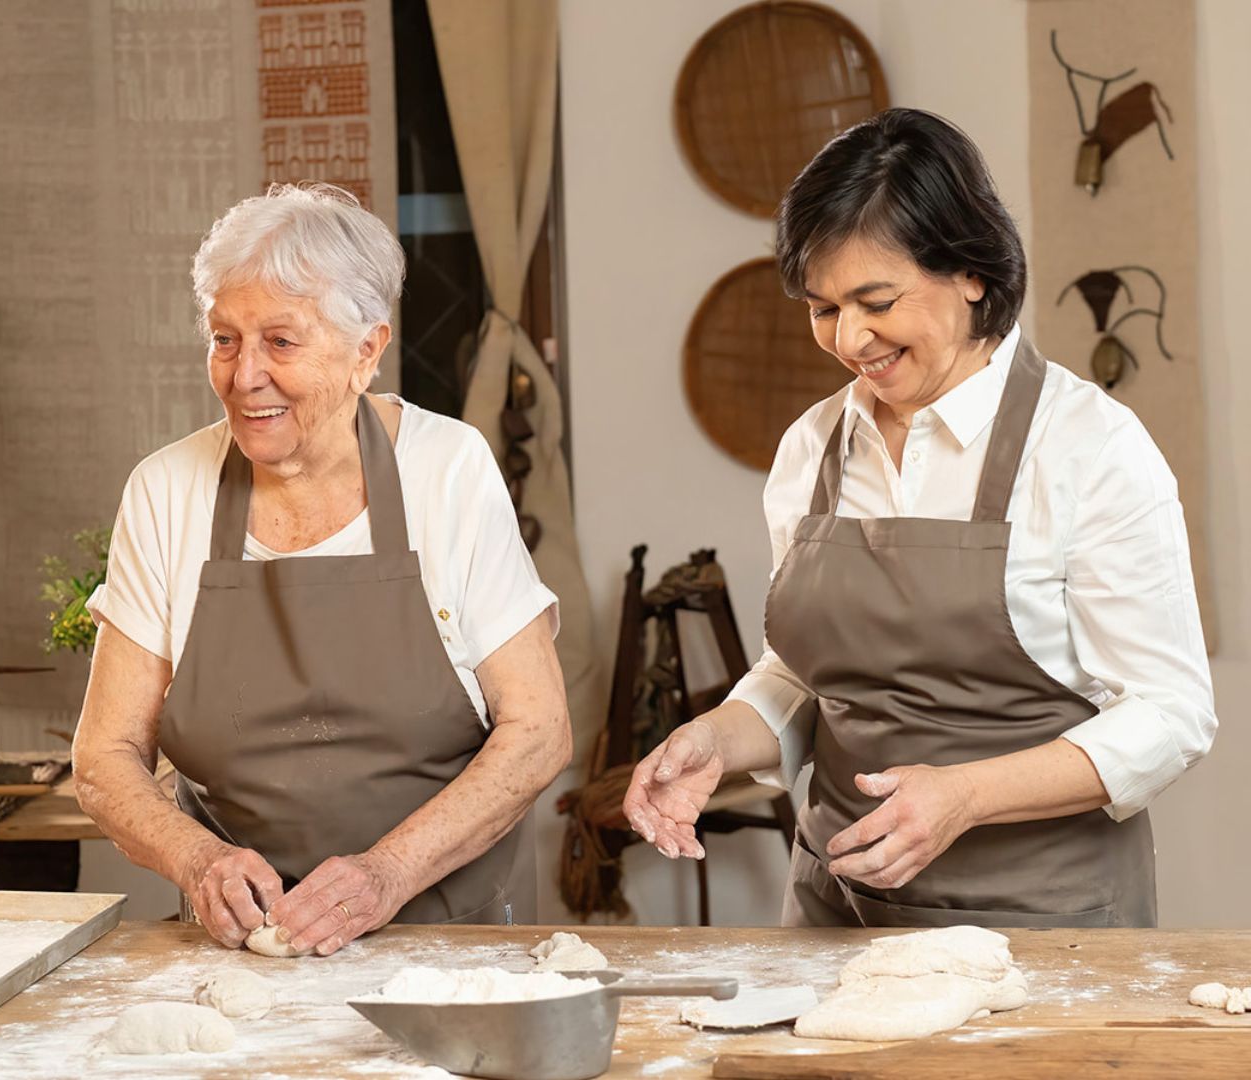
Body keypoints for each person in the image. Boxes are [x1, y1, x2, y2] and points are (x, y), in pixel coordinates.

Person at [624, 108, 1215, 927]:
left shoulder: (1089, 447)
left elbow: (1171, 714)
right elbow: (803, 674)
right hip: (840, 913)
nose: (849, 337)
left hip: (1046, 927)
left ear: (970, 271)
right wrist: (718, 740)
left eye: (876, 299)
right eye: (823, 308)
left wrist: (965, 796)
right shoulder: (814, 447)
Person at [73, 183, 570, 956]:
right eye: (225, 339)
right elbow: (103, 760)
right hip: (247, 955)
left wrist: (388, 873)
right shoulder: (167, 491)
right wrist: (198, 861)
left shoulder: (447, 470)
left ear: (366, 351)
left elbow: (539, 731)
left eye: (280, 341)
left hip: (452, 945)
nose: (244, 376)